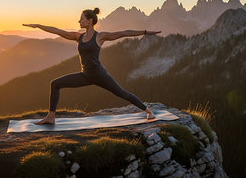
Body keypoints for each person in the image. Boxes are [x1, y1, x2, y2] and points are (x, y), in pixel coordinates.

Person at [23, 7, 161, 125]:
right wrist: (38, 25)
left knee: (122, 93)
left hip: (100, 75)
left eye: (81, 19)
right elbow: (57, 31)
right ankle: (51, 116)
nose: (79, 21)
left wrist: (145, 32)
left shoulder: (100, 37)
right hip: (85, 75)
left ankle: (148, 111)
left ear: (89, 21)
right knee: (55, 83)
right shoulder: (78, 37)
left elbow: (124, 33)